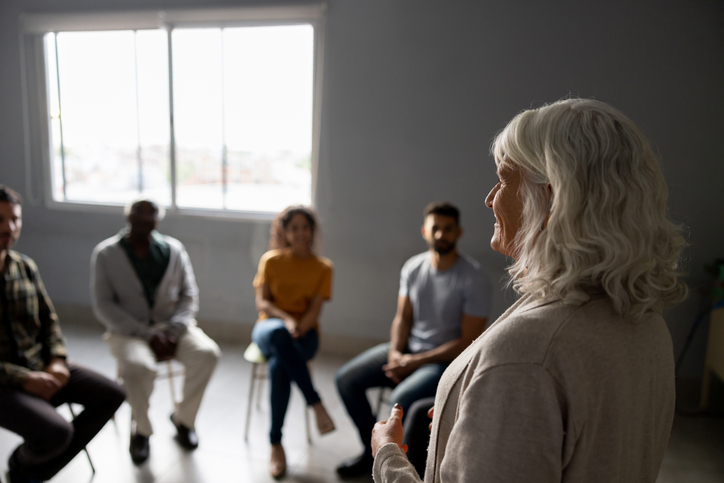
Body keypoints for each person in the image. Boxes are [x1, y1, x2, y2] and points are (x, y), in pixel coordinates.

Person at [371, 98, 687, 482]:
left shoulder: (525, 355)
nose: (490, 199)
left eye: (504, 178)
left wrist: (388, 457)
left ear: (553, 199)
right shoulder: (646, 323)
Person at [336, 202, 491, 478]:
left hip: (443, 361)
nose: (441, 234)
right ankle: (371, 453)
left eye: (448, 229)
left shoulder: (473, 278)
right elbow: (403, 318)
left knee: (400, 399)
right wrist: (396, 353)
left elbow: (469, 340)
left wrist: (414, 361)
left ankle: (400, 469)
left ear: (459, 232)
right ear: (424, 231)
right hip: (408, 351)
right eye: (436, 228)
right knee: (346, 380)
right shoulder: (413, 267)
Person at [0, 186, 126, 483]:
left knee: (113, 394)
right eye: (0, 219)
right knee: (57, 432)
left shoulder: (24, 267)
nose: (9, 227)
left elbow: (49, 322)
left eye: (15, 219)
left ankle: (29, 469)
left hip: (40, 365)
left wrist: (56, 360)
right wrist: (25, 379)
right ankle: (23, 464)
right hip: (5, 383)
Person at [90, 200, 220, 464]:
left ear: (159, 219)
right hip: (128, 331)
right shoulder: (106, 254)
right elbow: (103, 305)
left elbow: (188, 295)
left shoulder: (173, 250)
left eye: (152, 214)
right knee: (139, 368)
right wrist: (146, 334)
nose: (145, 219)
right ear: (128, 217)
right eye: (139, 213)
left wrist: (173, 330)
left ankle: (184, 419)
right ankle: (142, 430)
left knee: (207, 354)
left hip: (173, 327)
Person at [251, 205, 336, 479]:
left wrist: (300, 326)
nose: (300, 233)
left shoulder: (323, 267)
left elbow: (314, 310)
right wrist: (287, 321)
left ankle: (275, 443)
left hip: (306, 333)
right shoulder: (271, 260)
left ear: (312, 231)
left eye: (305, 227)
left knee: (279, 367)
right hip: (271, 328)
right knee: (279, 336)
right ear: (284, 233)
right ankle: (316, 404)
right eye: (294, 228)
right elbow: (262, 302)